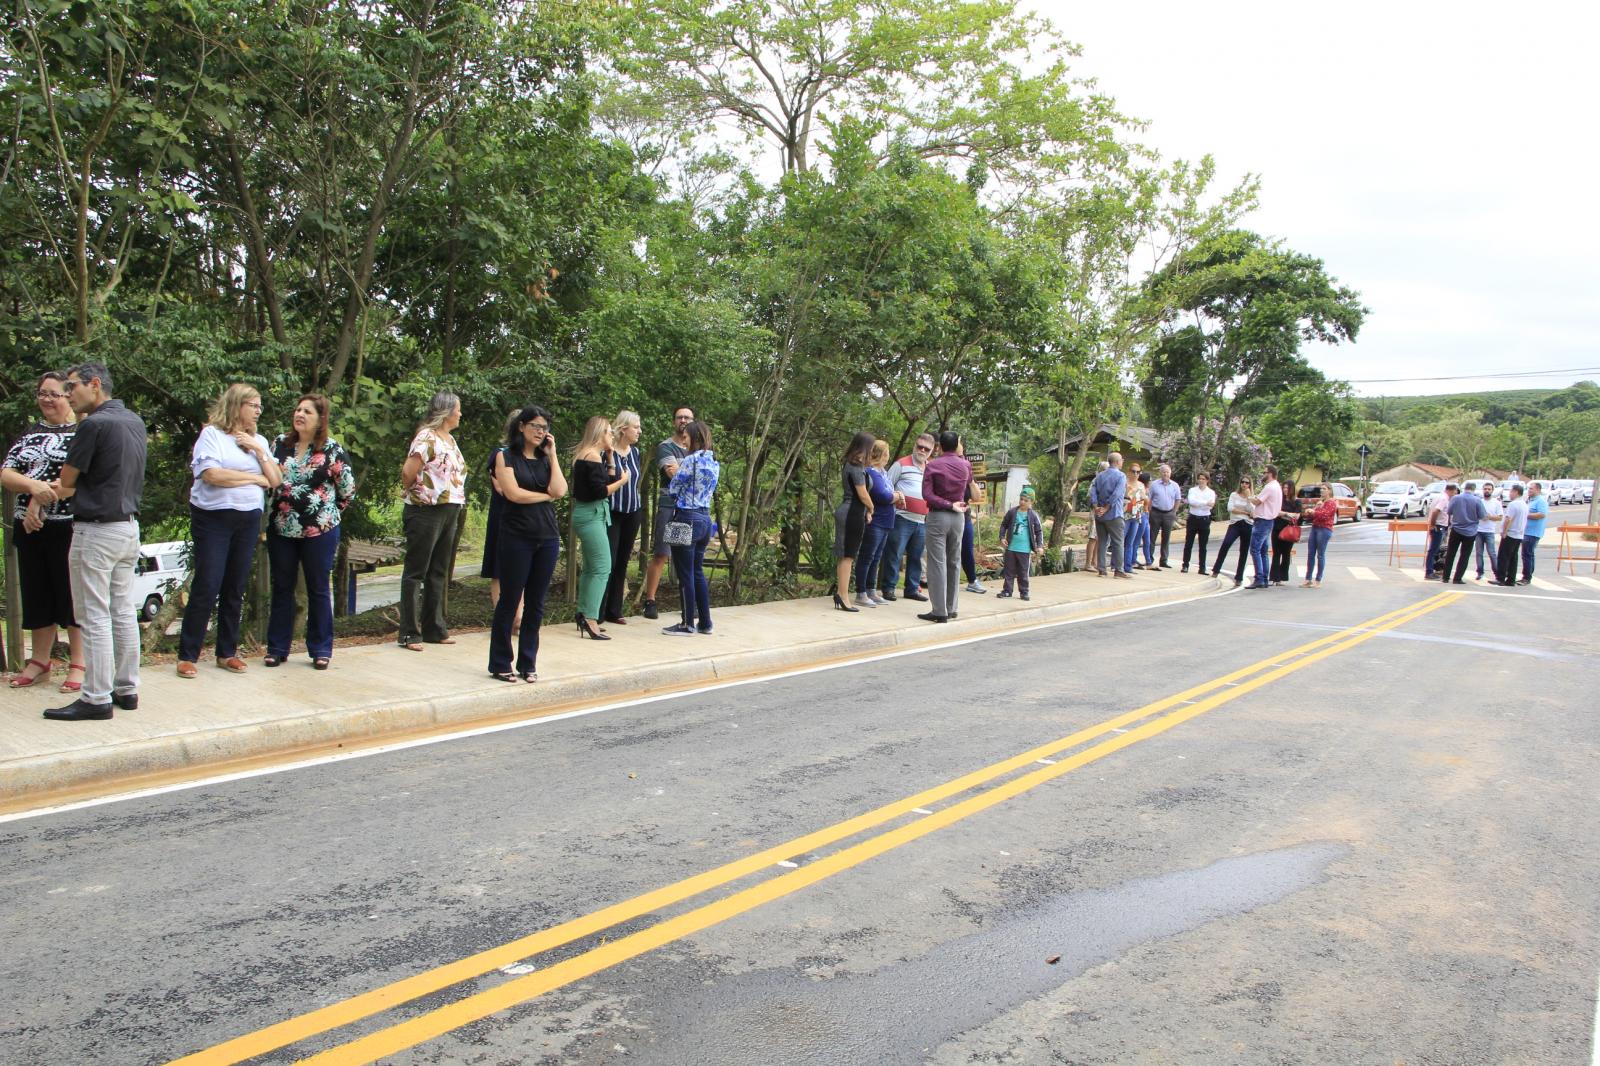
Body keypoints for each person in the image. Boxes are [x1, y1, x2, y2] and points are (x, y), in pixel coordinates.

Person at [44, 363, 147, 721]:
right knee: (122, 610)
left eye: (72, 387)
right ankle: (126, 688)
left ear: (95, 384)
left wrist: (43, 493)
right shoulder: (134, 420)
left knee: (94, 615)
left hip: (97, 529)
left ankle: (95, 697)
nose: (68, 394)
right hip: (127, 528)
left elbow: (68, 481)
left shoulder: (93, 424)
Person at [176, 383, 280, 677]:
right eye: (253, 405)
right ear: (236, 406)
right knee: (208, 583)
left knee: (235, 585)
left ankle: (227, 652)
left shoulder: (258, 440)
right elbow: (212, 475)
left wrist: (259, 451)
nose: (259, 411)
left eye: (260, 406)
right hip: (213, 519)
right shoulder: (211, 435)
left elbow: (273, 480)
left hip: (248, 519)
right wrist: (252, 479)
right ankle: (188, 655)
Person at [3, 372, 84, 692]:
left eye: (54, 394)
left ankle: (79, 662)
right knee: (37, 594)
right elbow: (6, 473)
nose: (47, 399)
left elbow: (79, 479)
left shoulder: (83, 432)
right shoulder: (29, 435)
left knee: (71, 596)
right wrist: (31, 486)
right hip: (30, 526)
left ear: (69, 396)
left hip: (70, 526)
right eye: (41, 393)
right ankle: (39, 661)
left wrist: (40, 496)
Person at [264, 394, 356, 669]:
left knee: (318, 589)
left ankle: (320, 649)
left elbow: (347, 490)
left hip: (320, 531)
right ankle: (277, 648)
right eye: (298, 409)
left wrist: (326, 514)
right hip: (282, 529)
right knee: (282, 588)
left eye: (308, 411)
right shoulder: (279, 444)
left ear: (320, 419)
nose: (300, 414)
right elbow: (268, 480)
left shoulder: (332, 448)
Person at [488, 406, 566, 681]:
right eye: (535, 425)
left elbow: (560, 490)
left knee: (536, 603)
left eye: (544, 427)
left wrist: (553, 455)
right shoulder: (504, 456)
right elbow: (513, 494)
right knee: (509, 600)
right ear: (521, 426)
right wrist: (545, 497)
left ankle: (528, 662)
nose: (540, 431)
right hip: (516, 536)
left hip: (546, 537)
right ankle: (500, 662)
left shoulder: (546, 460)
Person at [398, 392, 466, 652]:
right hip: (426, 510)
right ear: (446, 411)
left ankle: (434, 629)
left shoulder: (449, 439)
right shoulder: (426, 436)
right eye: (457, 409)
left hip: (450, 509)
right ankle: (409, 633)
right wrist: (417, 494)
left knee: (438, 570)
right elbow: (408, 471)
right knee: (416, 571)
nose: (460, 414)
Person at [571, 416, 629, 639]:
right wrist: (623, 482)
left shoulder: (591, 455)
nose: (611, 436)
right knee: (603, 567)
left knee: (590, 568)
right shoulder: (591, 456)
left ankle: (584, 613)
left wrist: (611, 457)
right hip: (591, 514)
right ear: (599, 433)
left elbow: (604, 479)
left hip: (591, 514)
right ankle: (591, 618)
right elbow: (600, 491)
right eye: (608, 432)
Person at [663, 421, 719, 635]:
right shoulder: (714, 461)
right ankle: (705, 623)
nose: (683, 441)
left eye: (686, 438)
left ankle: (687, 623)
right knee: (697, 572)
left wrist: (677, 473)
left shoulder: (689, 461)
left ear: (695, 438)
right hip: (705, 519)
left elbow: (674, 488)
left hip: (686, 517)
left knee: (685, 573)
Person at [642, 406, 694, 620]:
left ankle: (688, 603)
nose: (683, 420)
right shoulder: (665, 447)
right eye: (679, 417)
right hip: (670, 505)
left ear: (694, 421)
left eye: (687, 417)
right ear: (674, 421)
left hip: (690, 508)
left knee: (685, 556)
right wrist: (696, 472)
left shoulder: (697, 449)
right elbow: (673, 474)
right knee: (662, 553)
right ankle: (650, 601)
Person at [919, 430, 972, 621]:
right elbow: (968, 489)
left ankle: (939, 611)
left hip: (939, 516)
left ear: (939, 446)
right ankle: (952, 607)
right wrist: (954, 504)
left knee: (937, 563)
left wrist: (947, 504)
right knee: (954, 561)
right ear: (957, 444)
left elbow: (927, 494)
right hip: (959, 518)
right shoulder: (966, 465)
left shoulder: (933, 465)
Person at [602, 410, 644, 624]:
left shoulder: (636, 453)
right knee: (607, 560)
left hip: (633, 511)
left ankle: (614, 610)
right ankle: (597, 612)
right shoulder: (606, 453)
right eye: (636, 427)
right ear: (623, 428)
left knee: (622, 562)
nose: (639, 431)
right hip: (612, 512)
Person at [481, 409, 522, 627]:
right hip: (503, 517)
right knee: (499, 569)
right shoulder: (500, 453)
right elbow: (503, 488)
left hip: (526, 519)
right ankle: (502, 617)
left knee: (523, 569)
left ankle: (519, 617)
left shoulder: (533, 456)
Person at [881, 433, 934, 602]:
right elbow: (886, 486)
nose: (922, 450)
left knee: (917, 556)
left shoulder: (931, 468)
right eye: (920, 446)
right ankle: (888, 588)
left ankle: (911, 589)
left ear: (931, 451)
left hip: (922, 520)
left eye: (927, 449)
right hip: (901, 518)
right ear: (914, 445)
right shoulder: (901, 464)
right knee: (894, 554)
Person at [832, 431, 876, 611]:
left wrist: (866, 511)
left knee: (847, 556)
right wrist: (871, 507)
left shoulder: (856, 466)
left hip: (855, 512)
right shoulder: (855, 466)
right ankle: (843, 595)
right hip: (851, 513)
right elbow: (862, 493)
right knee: (848, 556)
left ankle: (841, 594)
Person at [856, 440, 896, 607]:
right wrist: (898, 497)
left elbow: (891, 492)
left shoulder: (884, 473)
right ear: (881, 454)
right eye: (886, 453)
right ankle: (861, 592)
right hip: (876, 520)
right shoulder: (870, 472)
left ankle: (871, 589)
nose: (888, 457)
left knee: (877, 557)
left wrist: (896, 495)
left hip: (887, 520)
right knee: (867, 556)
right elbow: (883, 495)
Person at [997, 487, 1042, 600]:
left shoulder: (1033, 515)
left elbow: (1038, 531)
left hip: (1024, 549)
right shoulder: (1012, 512)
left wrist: (1039, 546)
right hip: (1011, 547)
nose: (1022, 502)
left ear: (1031, 502)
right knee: (1009, 571)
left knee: (1023, 572)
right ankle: (1007, 590)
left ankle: (1024, 592)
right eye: (1021, 499)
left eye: (1026, 500)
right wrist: (1002, 537)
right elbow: (1004, 525)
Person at [1089, 452, 1128, 579]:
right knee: (1118, 542)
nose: (1122, 462)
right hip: (1114, 513)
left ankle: (1101, 569)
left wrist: (1096, 507)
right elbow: (1117, 494)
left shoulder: (1099, 476)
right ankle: (1118, 570)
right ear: (1117, 462)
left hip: (1099, 514)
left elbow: (1093, 492)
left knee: (1102, 541)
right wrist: (1106, 507)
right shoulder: (1121, 476)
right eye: (1122, 460)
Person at [1210, 477, 1255, 587]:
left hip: (1247, 525)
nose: (1244, 484)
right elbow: (1230, 508)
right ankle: (1216, 569)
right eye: (1242, 482)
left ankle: (1239, 577)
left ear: (1250, 485)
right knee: (1226, 544)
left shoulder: (1252, 497)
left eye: (1247, 483)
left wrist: (1249, 498)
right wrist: (1245, 513)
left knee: (1243, 551)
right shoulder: (1234, 495)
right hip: (1235, 524)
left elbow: (1253, 512)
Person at [1440, 482, 1488, 583]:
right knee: (1464, 556)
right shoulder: (1477, 500)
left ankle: (1445, 577)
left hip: (1456, 529)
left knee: (1450, 553)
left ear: (1465, 488)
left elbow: (1449, 511)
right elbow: (1483, 516)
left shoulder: (1455, 498)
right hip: (1470, 531)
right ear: (1474, 489)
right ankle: (1457, 578)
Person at [1246, 465, 1283, 589]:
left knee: (1255, 549)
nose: (1263, 474)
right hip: (1269, 520)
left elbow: (1257, 501)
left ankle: (1259, 578)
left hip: (1263, 520)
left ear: (1270, 473)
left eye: (1264, 472)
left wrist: (1249, 496)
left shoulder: (1270, 487)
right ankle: (1264, 578)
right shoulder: (1277, 486)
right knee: (1263, 551)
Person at [1490, 485, 1527, 586]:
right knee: (1513, 557)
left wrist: (1504, 531)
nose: (1510, 494)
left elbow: (1508, 519)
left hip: (1511, 534)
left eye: (1511, 492)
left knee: (1504, 557)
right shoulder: (1524, 504)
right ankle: (1511, 579)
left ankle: (1500, 578)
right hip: (1519, 534)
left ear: (1516, 492)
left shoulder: (1513, 504)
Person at [1301, 484, 1338, 588]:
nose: (1321, 491)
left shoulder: (1331, 503)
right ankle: (1308, 579)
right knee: (1310, 554)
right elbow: (1314, 514)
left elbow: (1325, 515)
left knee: (1320, 554)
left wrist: (1314, 511)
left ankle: (1318, 580)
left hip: (1324, 529)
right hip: (1315, 527)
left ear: (1329, 491)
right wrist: (1312, 510)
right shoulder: (1320, 502)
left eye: (1324, 489)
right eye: (1321, 489)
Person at [1180, 472, 1216, 575]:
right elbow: (1191, 501)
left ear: (1207, 480)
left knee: (1203, 545)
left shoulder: (1210, 492)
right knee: (1189, 543)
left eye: (1203, 479)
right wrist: (1204, 502)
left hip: (1204, 519)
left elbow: (1211, 505)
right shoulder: (1193, 490)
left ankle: (1202, 568)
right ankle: (1185, 565)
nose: (1201, 481)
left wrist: (1200, 503)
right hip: (1193, 518)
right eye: (1199, 478)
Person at [1148, 465, 1182, 568]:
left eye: (1167, 472)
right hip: (1156, 513)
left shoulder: (1175, 485)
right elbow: (1149, 499)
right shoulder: (1154, 484)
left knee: (1166, 538)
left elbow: (1178, 499)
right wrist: (1149, 511)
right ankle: (1149, 558)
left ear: (1170, 473)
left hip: (1168, 514)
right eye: (1164, 472)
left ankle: (1164, 560)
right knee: (1152, 537)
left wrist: (1174, 512)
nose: (1166, 474)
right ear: (1160, 473)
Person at [1269, 479, 1301, 586]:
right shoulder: (1280, 499)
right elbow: (1275, 512)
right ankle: (1274, 577)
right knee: (1276, 553)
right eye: (1284, 488)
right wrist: (1287, 514)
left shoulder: (1297, 501)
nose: (1285, 490)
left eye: (1287, 488)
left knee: (1286, 554)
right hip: (1277, 528)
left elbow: (1296, 516)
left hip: (1288, 530)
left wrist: (1284, 514)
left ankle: (1282, 577)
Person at [1423, 484, 1457, 578]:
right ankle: (1429, 572)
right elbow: (1435, 511)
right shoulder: (1444, 499)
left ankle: (1433, 570)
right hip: (1439, 526)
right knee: (1433, 550)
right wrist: (1433, 524)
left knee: (1435, 550)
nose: (1454, 494)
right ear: (1451, 490)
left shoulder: (1439, 496)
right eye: (1454, 492)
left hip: (1439, 525)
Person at [1519, 482, 1549, 585]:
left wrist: (1526, 515)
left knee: (1527, 554)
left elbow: (1541, 514)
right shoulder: (1530, 500)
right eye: (1529, 489)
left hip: (1533, 532)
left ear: (1538, 490)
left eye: (1531, 489)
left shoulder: (1541, 501)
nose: (1529, 491)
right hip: (1526, 531)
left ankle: (1527, 577)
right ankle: (1527, 576)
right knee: (1527, 554)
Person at [1473, 482, 1501, 581]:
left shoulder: (1496, 503)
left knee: (1492, 553)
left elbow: (1500, 517)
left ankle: (1497, 573)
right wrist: (1481, 517)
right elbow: (1474, 515)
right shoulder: (1479, 502)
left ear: (1492, 490)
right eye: (1485, 489)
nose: (1487, 491)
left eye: (1489, 489)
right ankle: (1480, 572)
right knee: (1479, 553)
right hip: (1479, 531)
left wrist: (1490, 517)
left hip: (1490, 531)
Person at [1122, 471, 1150, 572]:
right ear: (1129, 472)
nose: (1136, 474)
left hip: (1137, 514)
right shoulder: (1124, 483)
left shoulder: (1141, 485)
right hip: (1126, 514)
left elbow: (1145, 499)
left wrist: (1144, 501)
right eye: (1133, 471)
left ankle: (1128, 566)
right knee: (1121, 540)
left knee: (1131, 541)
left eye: (1138, 472)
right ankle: (1116, 565)